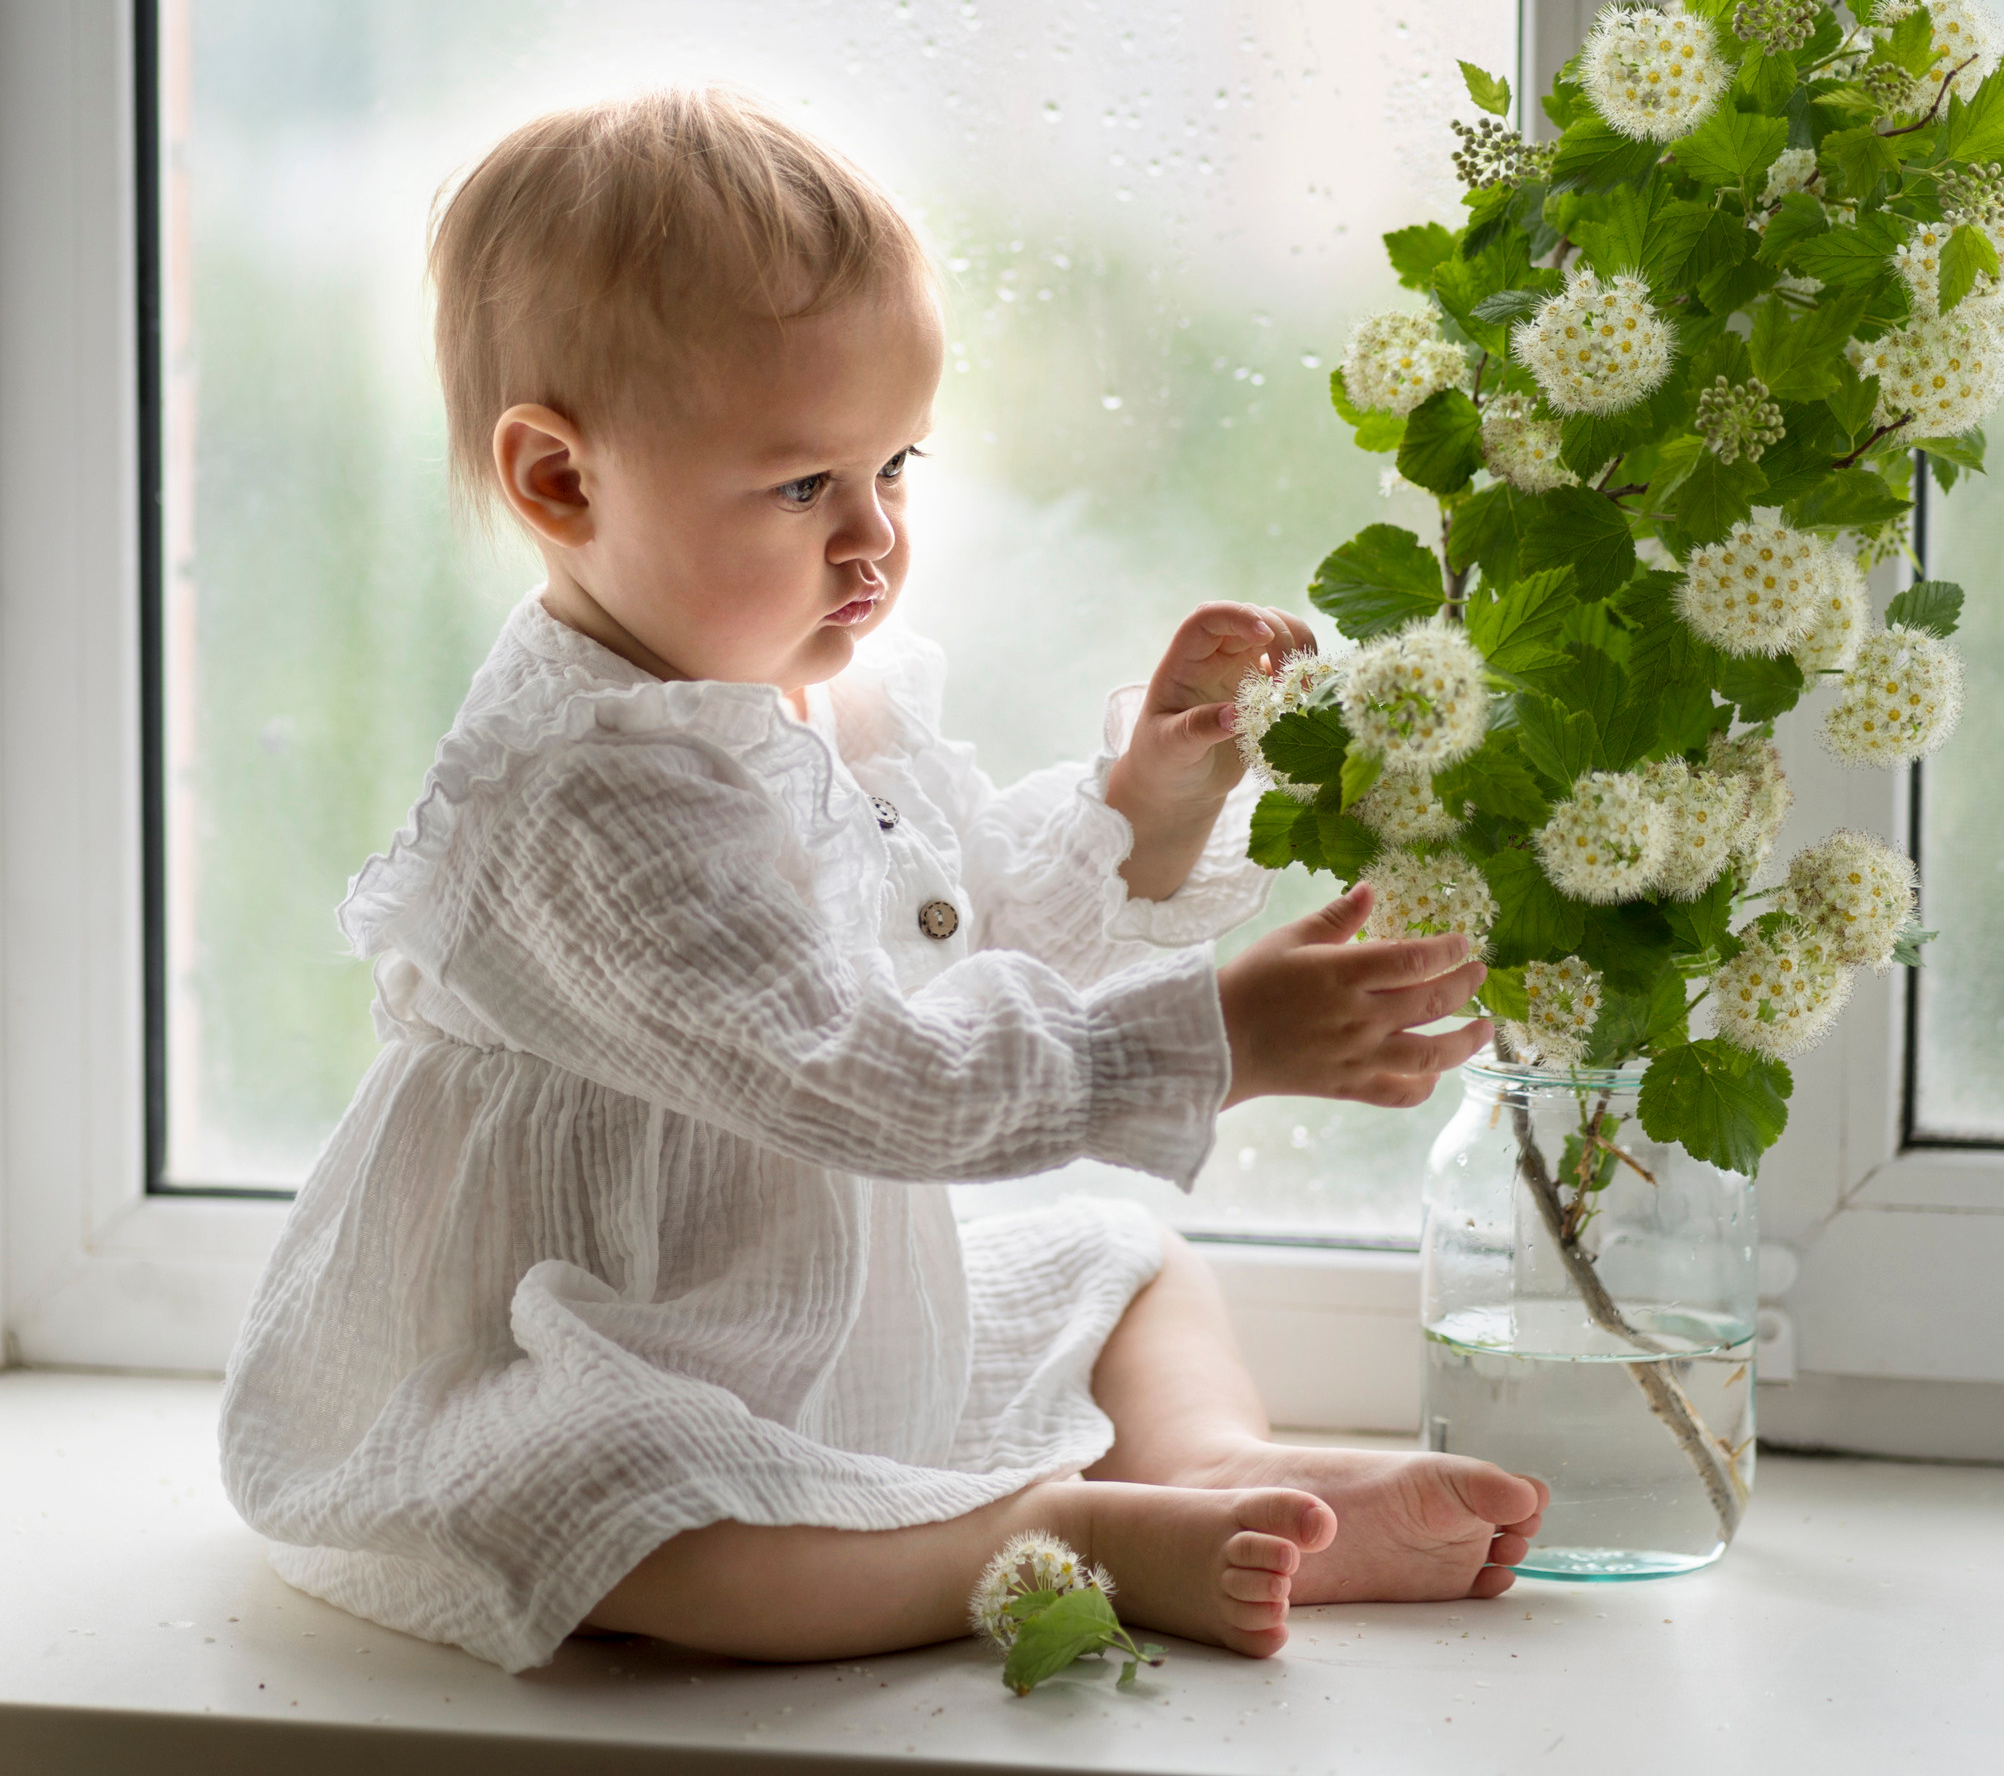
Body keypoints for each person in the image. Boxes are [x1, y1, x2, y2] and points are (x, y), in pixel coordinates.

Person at [216, 85, 1545, 1674]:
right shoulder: (578, 805)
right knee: (630, 1505)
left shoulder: (816, 688)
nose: (874, 541)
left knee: (1124, 1263)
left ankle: (1202, 1468)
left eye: (895, 466)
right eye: (801, 488)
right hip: (596, 1333)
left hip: (836, 1315)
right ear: (562, 482)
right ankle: (1047, 1535)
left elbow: (964, 937)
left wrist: (1148, 804)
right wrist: (1219, 1044)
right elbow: (878, 1085)